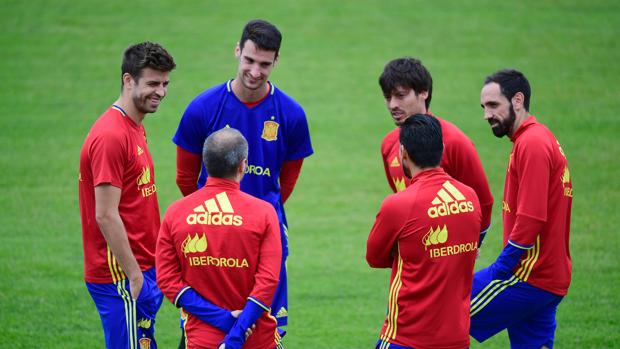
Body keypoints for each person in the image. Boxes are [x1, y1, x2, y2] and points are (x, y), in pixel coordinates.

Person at [173, 19, 313, 343]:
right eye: (249, 60)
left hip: (265, 234)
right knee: (204, 325)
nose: (255, 71)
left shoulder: (291, 115)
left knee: (262, 328)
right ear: (237, 51)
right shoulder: (202, 109)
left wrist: (255, 217)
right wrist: (218, 215)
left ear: (276, 61)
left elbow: (287, 181)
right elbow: (185, 179)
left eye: (265, 64)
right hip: (212, 236)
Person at [78, 42, 176, 348]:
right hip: (120, 275)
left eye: (164, 84)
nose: (160, 92)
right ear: (128, 80)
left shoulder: (133, 125)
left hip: (142, 269)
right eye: (152, 83)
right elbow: (105, 214)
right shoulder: (111, 136)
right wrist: (134, 277)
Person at [470, 69, 573, 348]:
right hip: (548, 278)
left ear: (517, 100)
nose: (486, 115)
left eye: (493, 105)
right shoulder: (536, 139)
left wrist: (500, 269)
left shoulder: (533, 144)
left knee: (437, 309)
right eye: (484, 107)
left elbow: (531, 217)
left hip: (528, 276)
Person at [156, 128, 282, 349]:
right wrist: (236, 334)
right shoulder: (264, 213)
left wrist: (221, 319)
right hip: (257, 339)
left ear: (206, 164)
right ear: (243, 165)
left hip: (200, 340)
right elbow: (267, 283)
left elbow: (167, 280)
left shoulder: (176, 212)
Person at [367, 114, 482, 349]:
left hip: (406, 337)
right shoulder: (470, 197)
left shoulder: (398, 204)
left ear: (403, 154)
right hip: (456, 339)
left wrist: (416, 254)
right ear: (441, 148)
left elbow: (374, 258)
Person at [378, 57, 493, 245]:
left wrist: (470, 245)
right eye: (388, 97)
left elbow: (484, 202)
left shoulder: (454, 141)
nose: (392, 105)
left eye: (400, 95)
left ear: (424, 93)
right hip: (409, 266)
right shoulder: (389, 144)